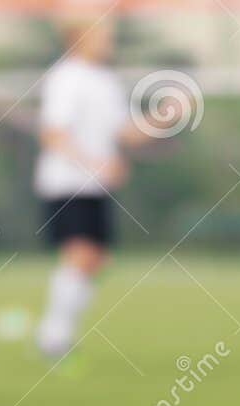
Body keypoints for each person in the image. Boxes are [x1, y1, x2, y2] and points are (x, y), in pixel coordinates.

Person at [34, 18, 156, 368]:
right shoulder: (65, 77)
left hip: (95, 184)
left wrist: (164, 117)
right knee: (82, 254)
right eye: (103, 35)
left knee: (97, 260)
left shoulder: (105, 80)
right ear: (78, 38)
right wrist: (96, 164)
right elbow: (53, 134)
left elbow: (126, 134)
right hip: (66, 182)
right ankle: (53, 337)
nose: (109, 41)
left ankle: (59, 333)